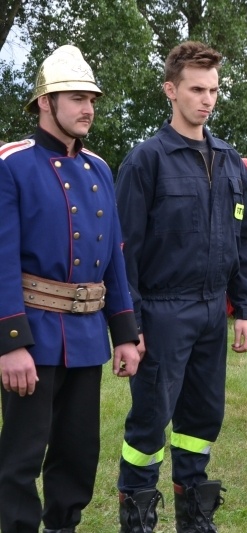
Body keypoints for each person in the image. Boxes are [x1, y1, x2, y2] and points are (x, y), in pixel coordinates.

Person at [114, 41, 247, 532]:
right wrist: (128, 324)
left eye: (214, 89)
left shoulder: (229, 161)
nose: (207, 99)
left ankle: (194, 518)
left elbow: (246, 239)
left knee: (201, 421)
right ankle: (138, 518)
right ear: (170, 90)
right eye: (197, 89)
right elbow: (124, 251)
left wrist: (244, 309)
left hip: (209, 313)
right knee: (150, 422)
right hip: (161, 312)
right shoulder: (146, 161)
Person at [0, 44, 141, 533]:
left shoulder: (99, 167)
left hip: (84, 336)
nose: (88, 109)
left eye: (92, 99)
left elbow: (113, 259)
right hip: (33, 334)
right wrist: (11, 343)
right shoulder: (11, 165)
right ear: (45, 102)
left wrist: (123, 332)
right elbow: (0, 259)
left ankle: (64, 526)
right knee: (21, 456)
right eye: (77, 97)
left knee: (78, 454)